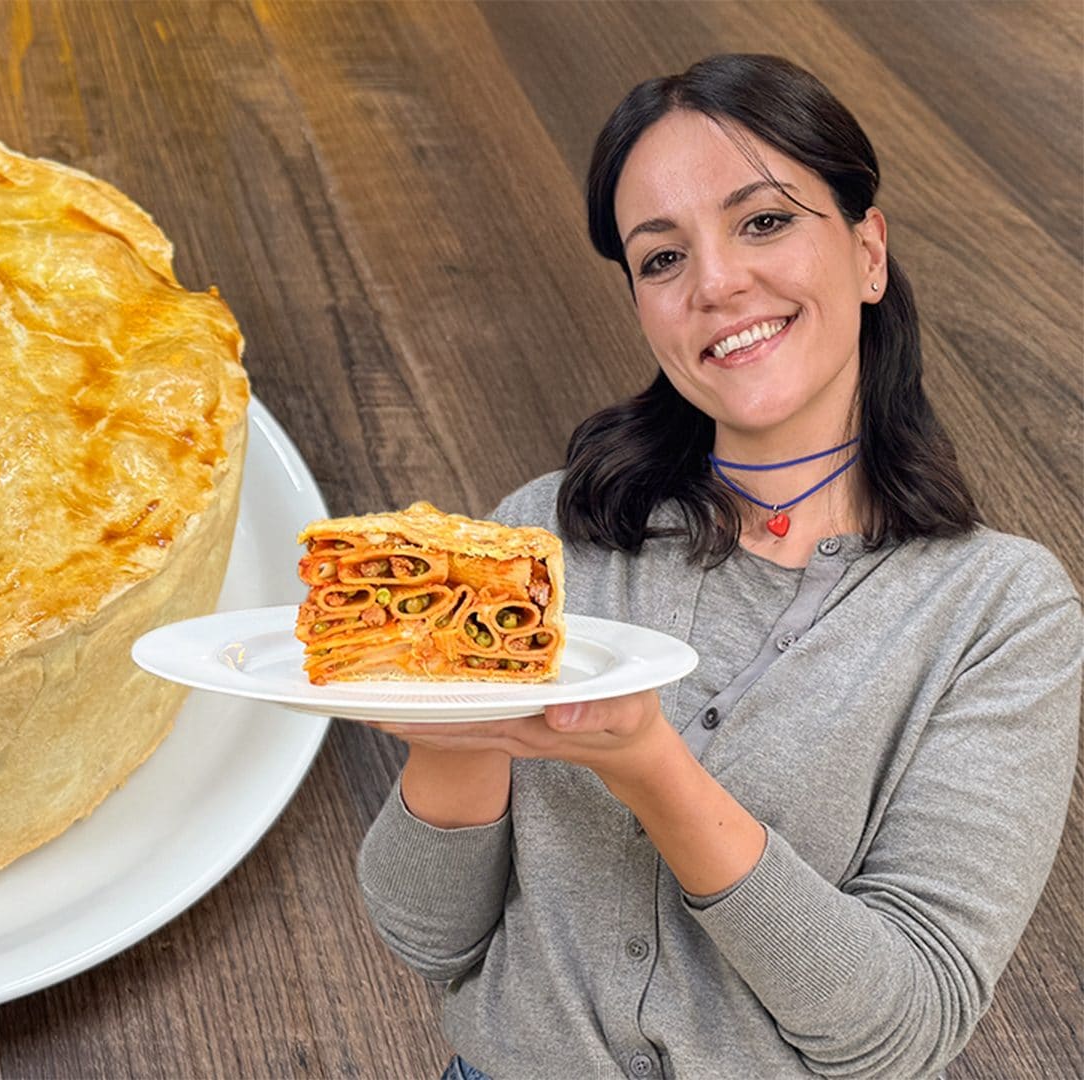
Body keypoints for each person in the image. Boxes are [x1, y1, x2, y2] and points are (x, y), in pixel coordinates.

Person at [355, 54, 1082, 1079]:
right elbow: (429, 942)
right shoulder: (538, 543)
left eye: (765, 221)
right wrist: (457, 736)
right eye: (662, 258)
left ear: (868, 253)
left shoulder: (998, 612)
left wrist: (651, 768)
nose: (715, 284)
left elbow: (904, 1029)